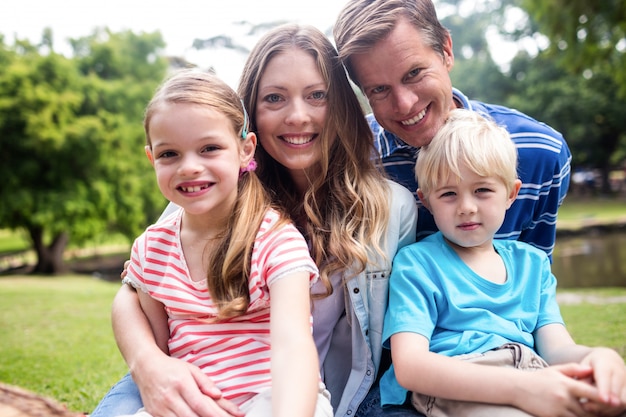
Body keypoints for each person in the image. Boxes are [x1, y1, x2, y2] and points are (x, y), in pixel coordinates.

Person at [90, 25, 418, 417]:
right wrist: (148, 363)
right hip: (196, 377)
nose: (297, 116)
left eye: (317, 95)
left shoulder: (389, 208)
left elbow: (318, 347)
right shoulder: (209, 188)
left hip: (293, 393)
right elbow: (134, 290)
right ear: (250, 119)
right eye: (274, 98)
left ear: (342, 105)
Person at [112, 68, 334, 417]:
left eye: (209, 148)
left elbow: (294, 348)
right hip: (194, 404)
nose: (189, 167)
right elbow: (159, 352)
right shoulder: (150, 250)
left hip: (276, 397)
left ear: (245, 150)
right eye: (169, 154)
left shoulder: (276, 239)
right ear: (151, 158)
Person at [381, 109, 626, 417]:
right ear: (426, 201)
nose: (466, 208)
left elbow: (557, 349)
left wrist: (595, 357)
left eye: (482, 190)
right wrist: (520, 388)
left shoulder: (532, 266)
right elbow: (411, 366)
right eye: (448, 194)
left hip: (533, 374)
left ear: (511, 194)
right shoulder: (418, 264)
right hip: (459, 385)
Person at [333, 0, 571, 259]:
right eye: (379, 89)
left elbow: (532, 280)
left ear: (446, 50)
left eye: (414, 73)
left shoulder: (541, 152)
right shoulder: (347, 161)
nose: (405, 104)